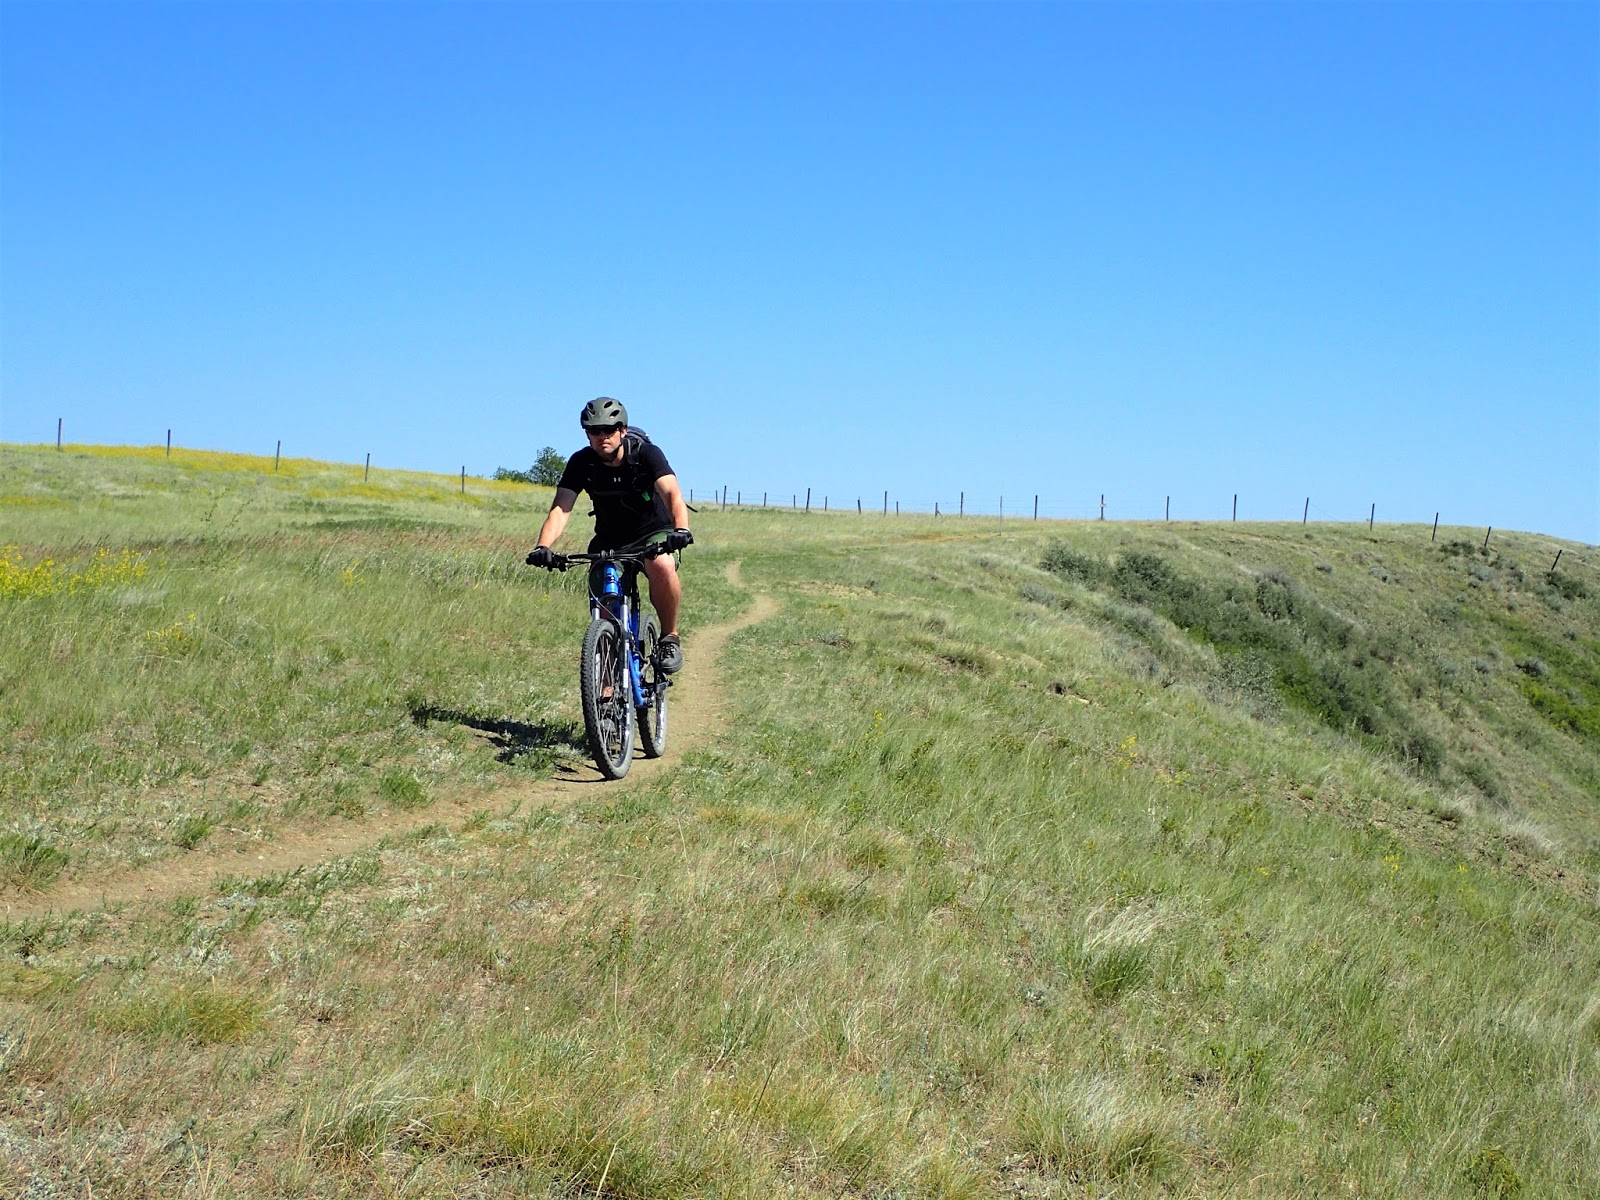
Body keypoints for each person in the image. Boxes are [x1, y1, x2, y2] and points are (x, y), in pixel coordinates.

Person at [527, 397, 693, 673]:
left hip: (653, 532)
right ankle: (604, 687)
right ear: (587, 433)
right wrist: (543, 546)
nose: (602, 435)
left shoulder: (646, 454)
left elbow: (672, 494)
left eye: (609, 429)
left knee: (662, 565)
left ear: (622, 430)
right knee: (604, 603)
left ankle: (669, 638)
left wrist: (681, 530)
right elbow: (561, 508)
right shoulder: (582, 463)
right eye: (595, 430)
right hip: (610, 540)